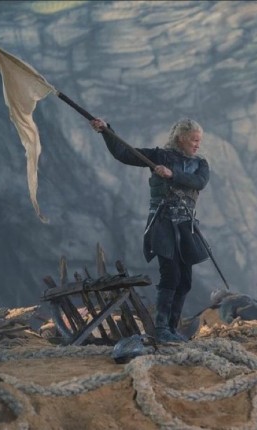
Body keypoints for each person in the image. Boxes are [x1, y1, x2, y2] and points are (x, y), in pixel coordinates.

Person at [90, 117, 210, 343]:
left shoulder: (200, 164)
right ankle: (161, 328)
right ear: (181, 138)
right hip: (162, 224)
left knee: (185, 280)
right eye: (194, 140)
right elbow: (124, 153)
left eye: (199, 140)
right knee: (171, 275)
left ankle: (172, 328)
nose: (197, 144)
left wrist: (172, 174)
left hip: (186, 227)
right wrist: (106, 131)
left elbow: (199, 182)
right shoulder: (159, 156)